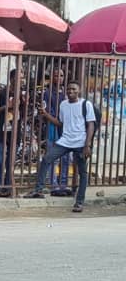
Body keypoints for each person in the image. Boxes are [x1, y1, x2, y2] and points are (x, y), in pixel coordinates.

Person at [23, 81, 95, 213]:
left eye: (73, 89)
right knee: (46, 159)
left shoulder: (86, 104)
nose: (70, 91)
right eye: (68, 89)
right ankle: (38, 190)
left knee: (82, 173)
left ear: (78, 91)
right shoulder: (63, 105)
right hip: (65, 141)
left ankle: (79, 202)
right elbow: (60, 123)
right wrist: (46, 115)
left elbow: (91, 125)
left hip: (80, 142)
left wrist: (87, 145)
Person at [0, 69, 27, 198]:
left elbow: (26, 114)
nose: (21, 80)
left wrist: (24, 103)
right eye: (18, 78)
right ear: (11, 79)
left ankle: (8, 187)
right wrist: (7, 106)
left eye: (22, 78)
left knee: (10, 161)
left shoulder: (22, 95)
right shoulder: (0, 92)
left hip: (15, 132)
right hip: (1, 130)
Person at [41, 68, 71, 196]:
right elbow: (44, 112)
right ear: (52, 77)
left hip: (65, 128)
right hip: (53, 127)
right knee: (53, 157)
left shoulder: (66, 92)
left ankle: (63, 184)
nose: (59, 78)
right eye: (56, 75)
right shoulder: (47, 93)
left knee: (66, 157)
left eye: (62, 75)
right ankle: (54, 185)